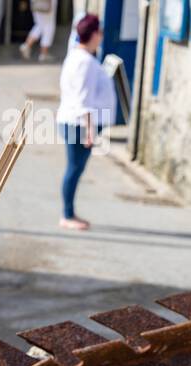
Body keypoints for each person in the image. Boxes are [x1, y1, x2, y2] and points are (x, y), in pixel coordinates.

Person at [57, 13, 116, 231]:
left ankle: (69, 213)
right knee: (74, 169)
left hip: (74, 120)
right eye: (100, 32)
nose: (102, 36)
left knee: (74, 168)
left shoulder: (76, 56)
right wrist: (90, 131)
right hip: (79, 124)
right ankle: (67, 215)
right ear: (93, 35)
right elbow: (84, 100)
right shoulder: (86, 62)